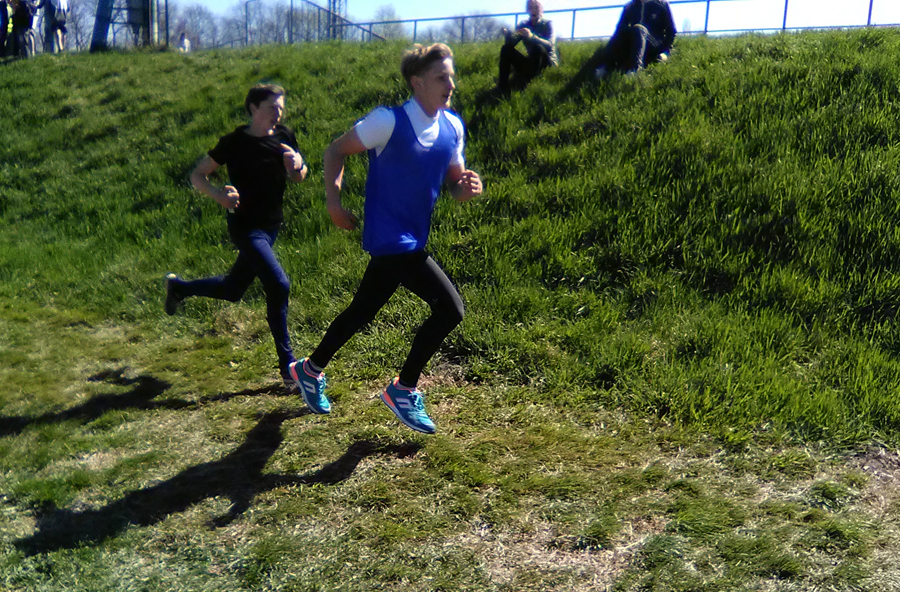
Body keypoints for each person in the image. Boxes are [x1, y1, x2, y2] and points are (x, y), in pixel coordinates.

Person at [291, 43, 483, 434]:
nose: (451, 85)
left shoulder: (453, 128)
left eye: (451, 76)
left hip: (412, 237)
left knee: (362, 311)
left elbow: (455, 184)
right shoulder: (387, 121)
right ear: (417, 82)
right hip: (390, 238)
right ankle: (403, 388)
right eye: (441, 77)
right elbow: (335, 151)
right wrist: (334, 202)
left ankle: (309, 369)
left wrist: (467, 188)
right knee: (450, 309)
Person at [165, 84, 308, 388]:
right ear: (253, 108)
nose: (278, 114)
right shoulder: (234, 142)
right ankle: (289, 368)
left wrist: (297, 166)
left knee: (232, 289)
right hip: (245, 227)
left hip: (271, 226)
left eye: (281, 108)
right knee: (279, 285)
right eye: (272, 107)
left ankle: (179, 288)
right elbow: (197, 174)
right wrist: (219, 196)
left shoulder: (285, 136)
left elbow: (299, 174)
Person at [592, 0, 676, 78]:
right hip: (634, 43)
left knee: (639, 28)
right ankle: (606, 66)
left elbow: (671, 32)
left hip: (653, 44)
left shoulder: (661, 4)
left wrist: (665, 52)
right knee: (622, 31)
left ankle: (636, 69)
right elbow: (619, 30)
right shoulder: (630, 6)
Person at [497, 0, 558, 93]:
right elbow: (511, 43)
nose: (533, 10)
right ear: (527, 10)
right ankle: (502, 86)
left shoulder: (548, 24)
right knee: (506, 49)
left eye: (536, 7)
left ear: (541, 9)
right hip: (531, 62)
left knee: (538, 48)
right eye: (530, 8)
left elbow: (550, 44)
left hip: (546, 62)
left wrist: (531, 36)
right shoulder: (524, 24)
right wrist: (508, 35)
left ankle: (523, 83)